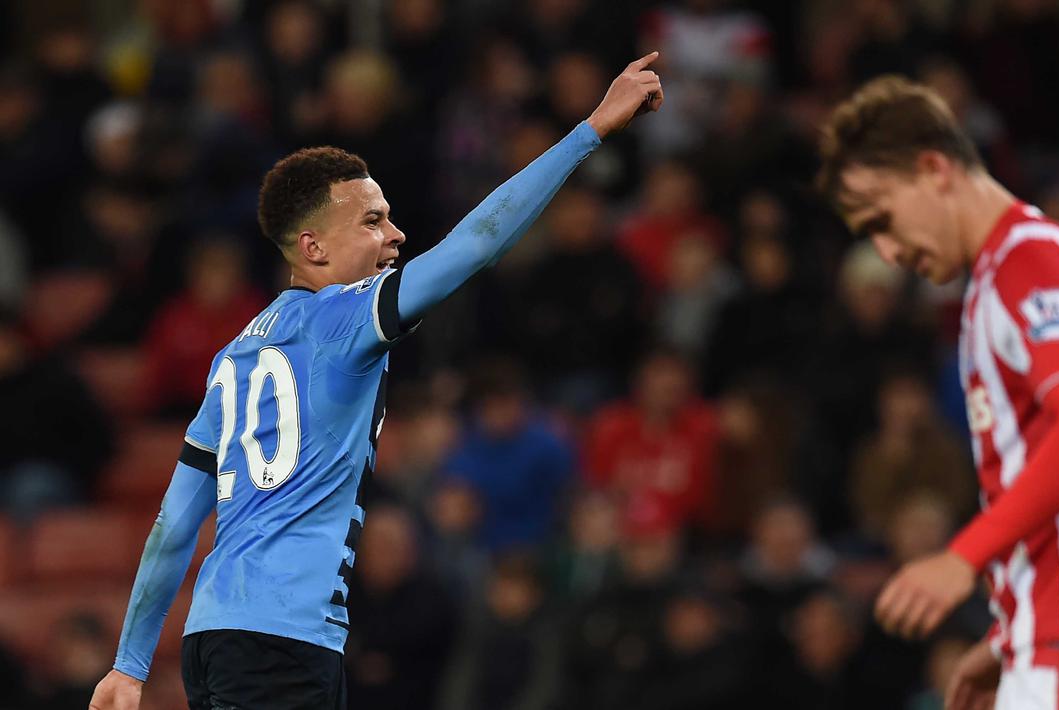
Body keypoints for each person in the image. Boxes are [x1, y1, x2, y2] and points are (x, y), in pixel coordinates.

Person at [89, 52, 664, 710]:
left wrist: (130, 665)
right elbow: (476, 243)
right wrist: (590, 130)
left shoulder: (233, 357)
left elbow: (174, 524)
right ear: (313, 247)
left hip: (216, 638)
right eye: (372, 221)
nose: (396, 234)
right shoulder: (344, 319)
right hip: (283, 639)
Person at [817, 76, 1059, 709]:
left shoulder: (1031, 264)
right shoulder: (1002, 275)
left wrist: (961, 558)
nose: (887, 251)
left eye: (882, 219)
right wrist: (1009, 636)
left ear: (934, 169)